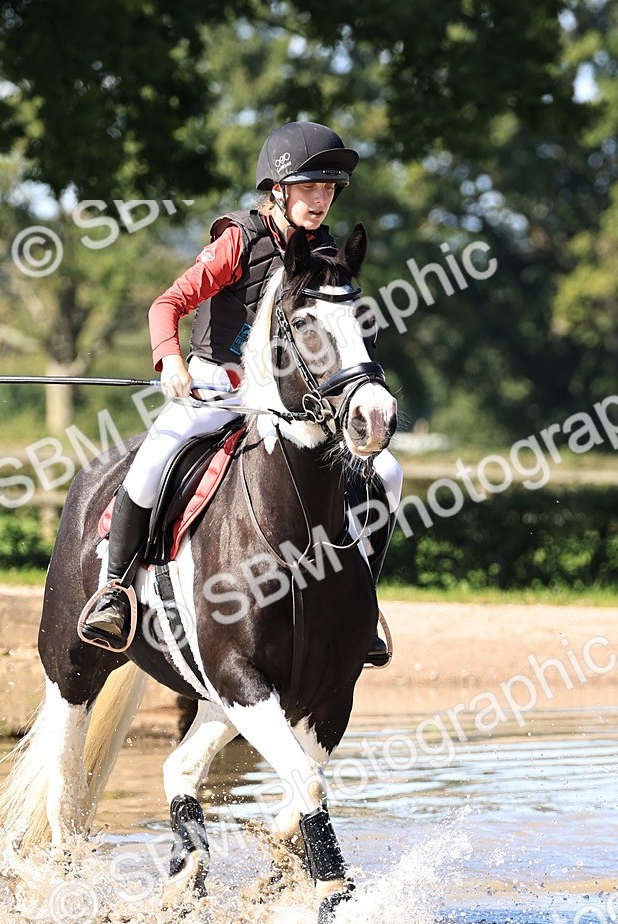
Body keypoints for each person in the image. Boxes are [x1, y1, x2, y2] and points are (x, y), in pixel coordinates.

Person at [80, 120, 402, 663]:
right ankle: (113, 589)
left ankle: (359, 602)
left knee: (387, 473)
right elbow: (167, 305)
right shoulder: (239, 241)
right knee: (155, 455)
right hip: (215, 387)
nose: (321, 200)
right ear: (277, 189)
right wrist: (170, 361)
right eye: (309, 187)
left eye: (328, 190)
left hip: (283, 403)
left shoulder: (324, 251)